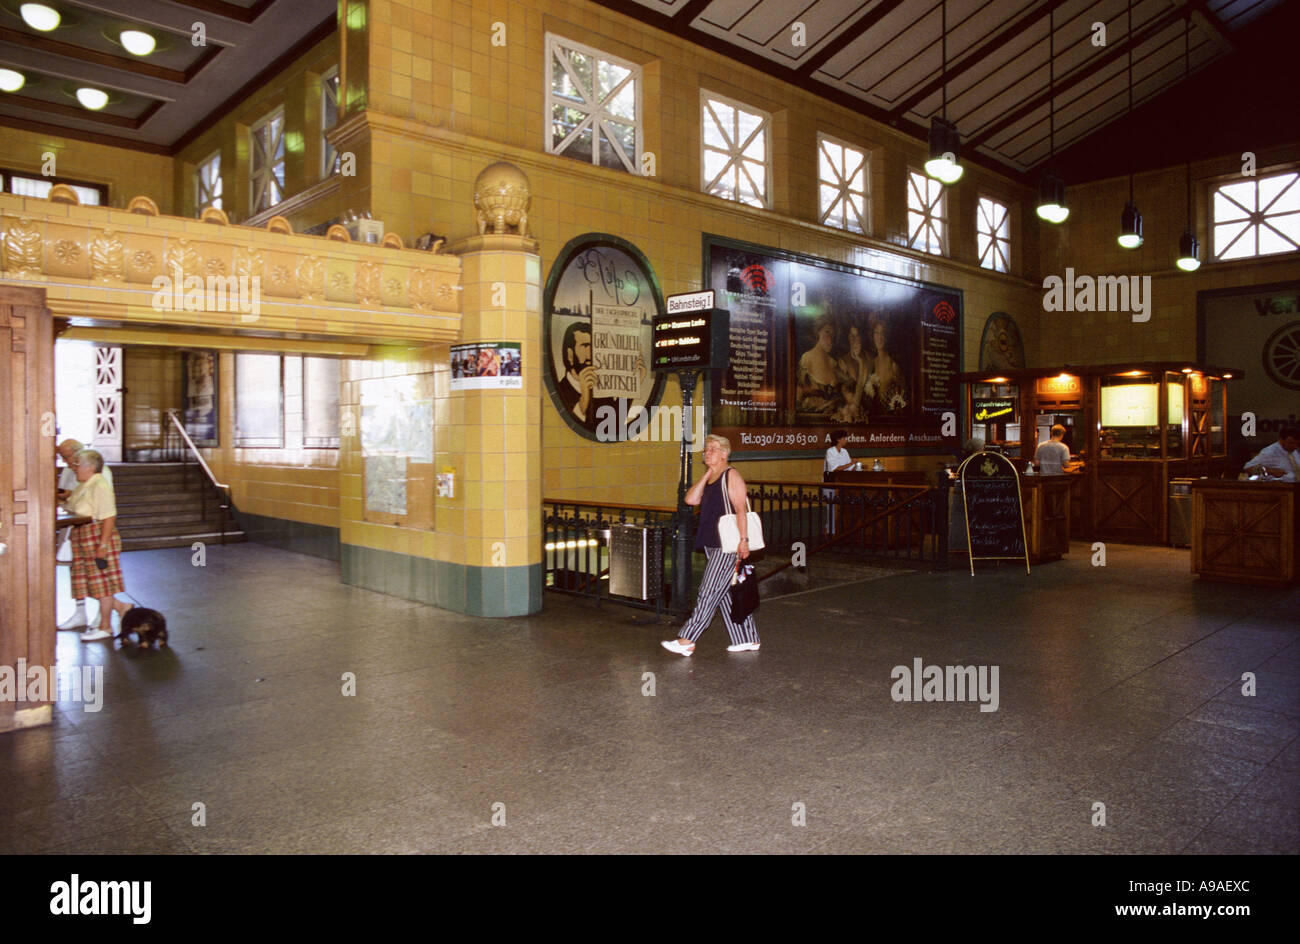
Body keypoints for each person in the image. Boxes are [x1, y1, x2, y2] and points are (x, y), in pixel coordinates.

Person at [662, 434, 760, 656]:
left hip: (728, 544)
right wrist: (708, 473)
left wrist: (744, 540)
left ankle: (687, 639)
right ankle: (747, 639)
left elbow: (741, 510)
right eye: (706, 449)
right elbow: (690, 500)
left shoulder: (731, 475)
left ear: (725, 454)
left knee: (708, 591)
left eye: (714, 449)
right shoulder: (711, 477)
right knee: (724, 594)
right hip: (712, 541)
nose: (708, 452)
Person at [62, 449, 131, 642]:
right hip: (84, 535)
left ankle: (106, 626)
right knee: (90, 582)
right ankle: (121, 609)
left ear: (89, 467)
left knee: (102, 585)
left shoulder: (100, 485)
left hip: (96, 536)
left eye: (77, 465)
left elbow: (109, 516)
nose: (74, 469)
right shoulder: (85, 484)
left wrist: (103, 545)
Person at [55, 438, 113, 630]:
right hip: (74, 529)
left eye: (67, 457)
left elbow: (105, 510)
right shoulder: (72, 473)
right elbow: (71, 497)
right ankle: (80, 613)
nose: (66, 462)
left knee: (98, 578)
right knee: (78, 574)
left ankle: (108, 616)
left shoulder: (99, 476)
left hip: (93, 531)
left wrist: (103, 545)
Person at [555, 321, 615, 431]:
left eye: (594, 346)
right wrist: (583, 399)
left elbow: (615, 427)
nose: (591, 353)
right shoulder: (560, 392)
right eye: (585, 346)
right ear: (570, 355)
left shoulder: (602, 392)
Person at [796, 316, 841, 414]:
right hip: (811, 419)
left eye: (833, 334)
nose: (830, 338)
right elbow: (799, 394)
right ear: (818, 332)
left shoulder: (834, 363)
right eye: (827, 332)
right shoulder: (807, 358)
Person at [866, 315, 907, 413]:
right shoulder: (871, 362)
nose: (879, 337)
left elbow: (903, 398)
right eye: (877, 333)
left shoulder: (893, 365)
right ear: (873, 336)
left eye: (883, 333)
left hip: (889, 418)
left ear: (887, 336)